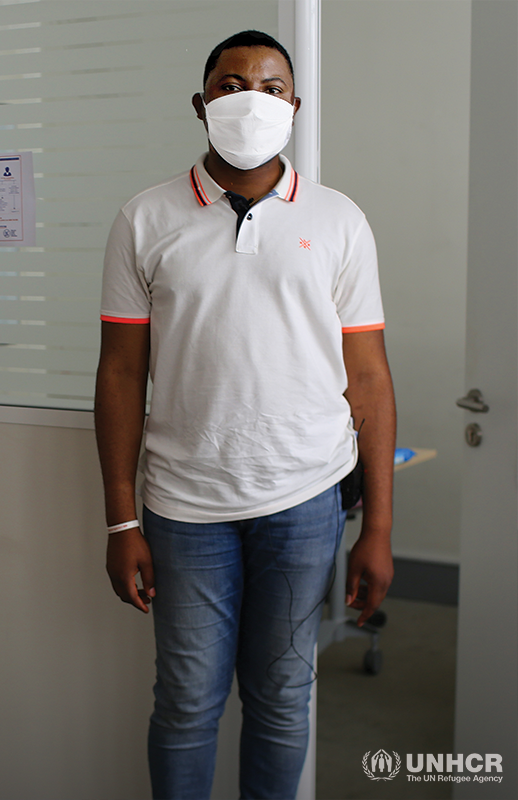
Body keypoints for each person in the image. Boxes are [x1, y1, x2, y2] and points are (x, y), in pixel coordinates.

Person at [94, 30, 396, 800]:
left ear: (294, 105)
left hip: (304, 504)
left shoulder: (338, 221)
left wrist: (380, 531)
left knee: (282, 701)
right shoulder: (144, 218)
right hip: (183, 508)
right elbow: (122, 373)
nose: (250, 98)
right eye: (231, 84)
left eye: (269, 85)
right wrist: (120, 522)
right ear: (201, 105)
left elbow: (369, 378)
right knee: (188, 704)